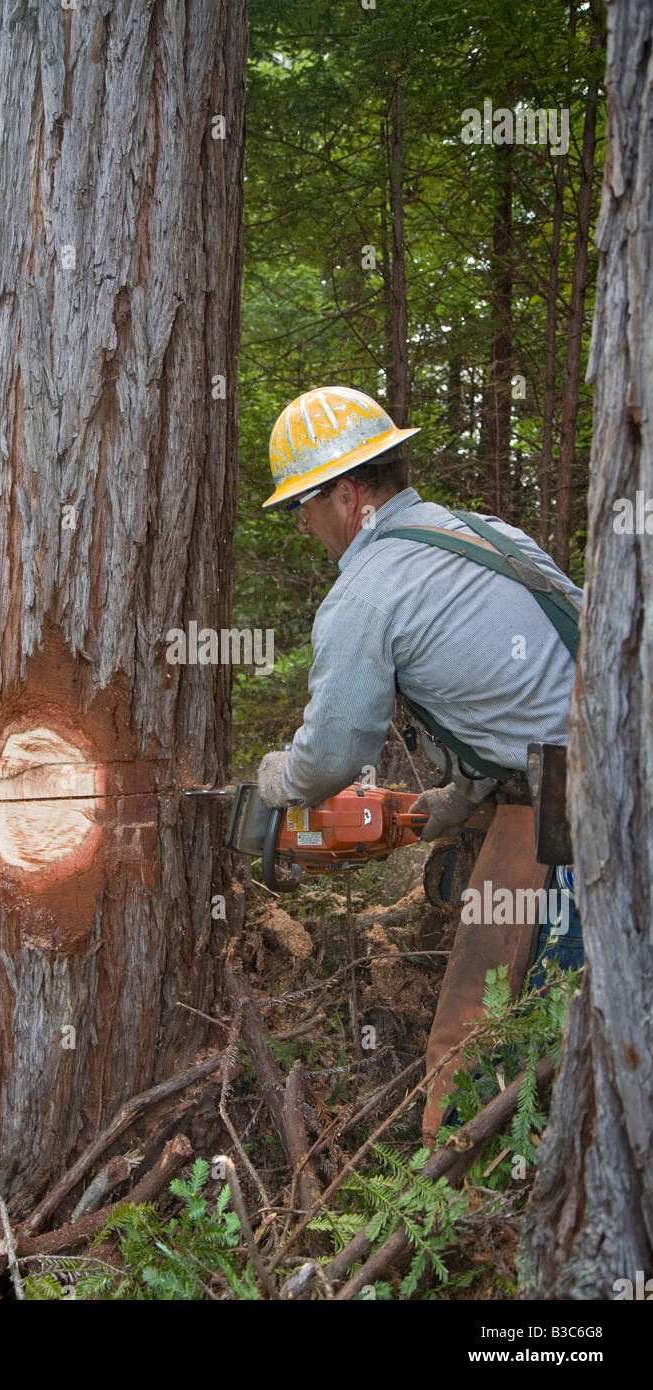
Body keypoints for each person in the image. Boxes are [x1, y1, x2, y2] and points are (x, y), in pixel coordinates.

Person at [256, 386, 583, 1136]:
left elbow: (331, 756)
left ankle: (494, 1201)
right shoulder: (486, 535)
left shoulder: (366, 594)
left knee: (517, 1025)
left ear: (348, 496)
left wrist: (280, 779)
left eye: (304, 506)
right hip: (586, 764)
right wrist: (459, 798)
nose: (305, 525)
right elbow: (533, 677)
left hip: (575, 796)